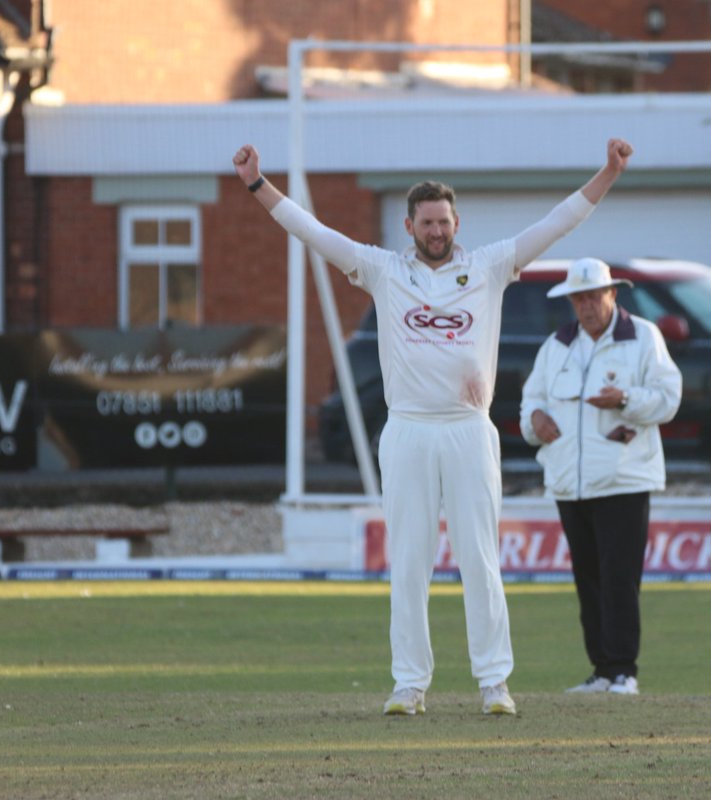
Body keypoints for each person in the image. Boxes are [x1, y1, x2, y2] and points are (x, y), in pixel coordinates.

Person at [232, 138, 634, 716]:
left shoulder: (489, 265)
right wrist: (256, 184)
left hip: (469, 429)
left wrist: (610, 172)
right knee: (411, 559)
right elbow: (315, 233)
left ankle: (494, 684)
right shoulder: (383, 269)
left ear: (456, 222)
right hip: (409, 429)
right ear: (411, 226)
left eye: (444, 221)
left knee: (479, 557)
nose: (437, 231)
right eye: (427, 223)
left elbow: (557, 222)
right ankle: (409, 685)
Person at [519, 257, 681, 695]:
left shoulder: (643, 336)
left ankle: (623, 670)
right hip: (570, 482)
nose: (587, 306)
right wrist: (536, 422)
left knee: (619, 576)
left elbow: (669, 399)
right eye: (579, 298)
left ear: (613, 294)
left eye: (594, 296)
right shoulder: (557, 345)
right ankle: (601, 670)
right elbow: (529, 402)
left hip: (624, 477)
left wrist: (625, 398)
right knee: (587, 578)